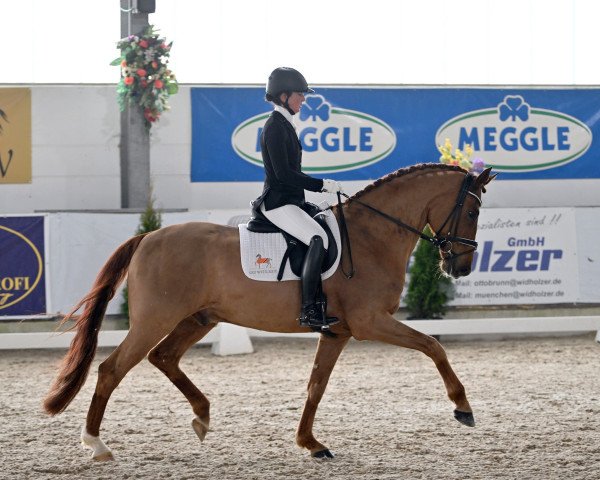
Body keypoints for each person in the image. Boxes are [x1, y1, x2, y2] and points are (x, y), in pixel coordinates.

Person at [254, 67, 342, 331]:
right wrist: (321, 185)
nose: (303, 100)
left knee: (324, 226)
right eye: (299, 95)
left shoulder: (285, 125)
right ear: (283, 96)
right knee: (318, 238)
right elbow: (284, 174)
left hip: (291, 200)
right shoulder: (275, 127)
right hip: (278, 203)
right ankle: (309, 310)